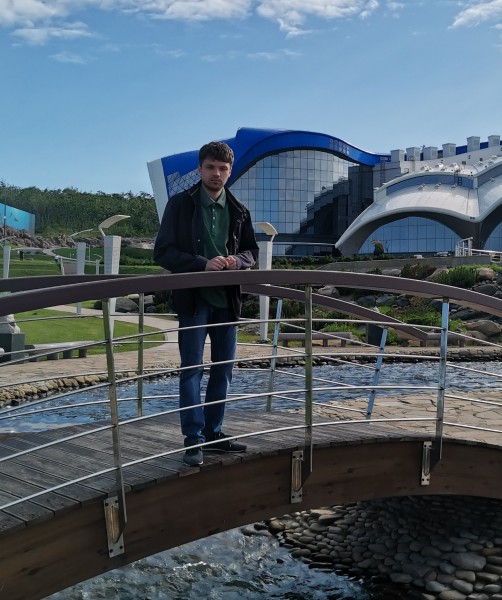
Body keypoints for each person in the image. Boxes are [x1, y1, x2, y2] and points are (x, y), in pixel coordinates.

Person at [153, 141, 259, 467]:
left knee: (223, 370)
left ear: (230, 171)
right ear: (199, 169)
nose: (216, 173)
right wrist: (202, 264)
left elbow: (251, 252)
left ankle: (213, 434)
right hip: (194, 301)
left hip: (227, 300)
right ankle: (193, 440)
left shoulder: (239, 210)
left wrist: (237, 261)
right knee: (191, 370)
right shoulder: (180, 204)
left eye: (223, 168)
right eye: (210, 167)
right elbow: (163, 252)